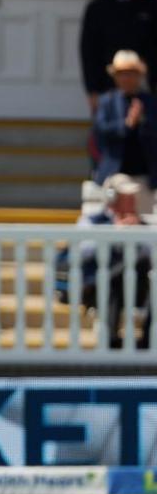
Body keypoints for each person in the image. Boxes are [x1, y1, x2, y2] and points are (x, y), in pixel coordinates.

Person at [76, 173, 152, 348]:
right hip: (99, 288)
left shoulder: (142, 225)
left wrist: (138, 233)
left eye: (133, 196)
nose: (132, 201)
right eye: (127, 196)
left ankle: (148, 341)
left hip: (136, 289)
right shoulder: (93, 221)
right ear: (113, 197)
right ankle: (110, 340)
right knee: (111, 280)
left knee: (145, 273)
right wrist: (115, 232)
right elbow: (82, 251)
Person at [80, 0, 157, 111]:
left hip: (144, 83)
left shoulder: (149, 5)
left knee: (146, 127)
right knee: (110, 128)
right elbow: (89, 52)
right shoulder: (97, 9)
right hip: (108, 84)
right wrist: (92, 90)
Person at [92, 50, 157, 214]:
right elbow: (101, 131)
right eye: (121, 74)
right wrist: (127, 124)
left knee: (143, 229)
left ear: (139, 76)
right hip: (116, 174)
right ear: (115, 77)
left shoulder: (149, 102)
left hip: (144, 176)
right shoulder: (107, 102)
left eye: (131, 73)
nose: (126, 78)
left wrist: (142, 121)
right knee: (120, 216)